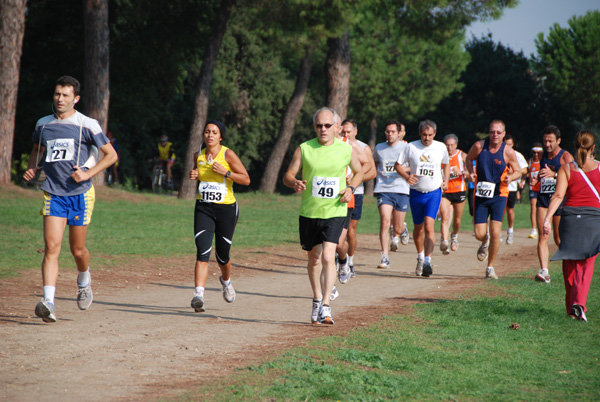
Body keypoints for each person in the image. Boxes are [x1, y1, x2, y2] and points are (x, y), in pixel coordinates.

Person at [22, 76, 118, 323]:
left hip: (80, 194)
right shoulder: (43, 125)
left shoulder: (87, 124)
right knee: (51, 247)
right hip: (53, 191)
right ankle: (49, 302)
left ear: (75, 99)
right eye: (57, 94)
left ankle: (84, 278)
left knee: (77, 249)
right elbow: (37, 148)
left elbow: (111, 155)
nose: (60, 99)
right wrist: (33, 168)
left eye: (65, 95)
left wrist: (87, 173)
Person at [283, 107, 363, 325]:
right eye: (319, 125)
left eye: (328, 125)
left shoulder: (345, 150)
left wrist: (351, 188)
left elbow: (360, 171)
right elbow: (288, 175)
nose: (323, 129)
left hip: (335, 211)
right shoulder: (304, 149)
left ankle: (326, 306)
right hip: (310, 212)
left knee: (329, 256)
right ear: (314, 127)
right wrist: (294, 182)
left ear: (337, 127)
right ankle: (317, 299)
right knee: (314, 258)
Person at [188, 120, 250, 313]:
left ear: (220, 136)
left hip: (226, 210)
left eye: (214, 132)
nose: (210, 135)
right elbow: (200, 176)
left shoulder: (228, 154)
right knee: (202, 251)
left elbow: (246, 179)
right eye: (207, 131)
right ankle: (199, 295)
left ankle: (226, 281)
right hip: (204, 208)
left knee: (222, 256)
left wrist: (227, 172)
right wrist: (195, 174)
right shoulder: (197, 155)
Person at [543, 131, 600, 322]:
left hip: (570, 219)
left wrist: (547, 219)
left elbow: (558, 196)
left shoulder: (565, 168)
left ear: (575, 146)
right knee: (586, 263)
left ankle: (572, 308)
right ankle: (578, 303)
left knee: (569, 262)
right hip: (593, 219)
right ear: (593, 148)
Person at [465, 120, 522, 279]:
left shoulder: (508, 152)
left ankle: (490, 267)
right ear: (488, 133)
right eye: (492, 132)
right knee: (479, 233)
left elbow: (518, 171)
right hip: (481, 195)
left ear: (504, 134)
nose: (495, 135)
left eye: (498, 132)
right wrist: (471, 173)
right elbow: (468, 159)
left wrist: (511, 177)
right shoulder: (479, 146)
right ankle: (484, 241)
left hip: (499, 195)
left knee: (496, 232)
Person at [396, 120, 449, 277]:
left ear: (435, 134)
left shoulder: (440, 147)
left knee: (428, 226)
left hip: (434, 192)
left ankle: (427, 261)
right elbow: (398, 165)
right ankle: (420, 257)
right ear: (420, 134)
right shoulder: (411, 147)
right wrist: (406, 176)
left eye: (430, 135)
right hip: (416, 192)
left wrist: (445, 180)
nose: (427, 138)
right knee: (418, 228)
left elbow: (446, 164)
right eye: (424, 135)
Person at [530, 125, 573, 283]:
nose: (547, 144)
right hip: (543, 200)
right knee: (543, 235)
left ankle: (571, 267)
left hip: (560, 201)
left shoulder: (565, 157)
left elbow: (573, 178)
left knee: (559, 239)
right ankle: (544, 271)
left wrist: (554, 174)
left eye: (550, 141)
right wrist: (536, 180)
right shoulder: (541, 156)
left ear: (558, 140)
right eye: (545, 141)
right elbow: (540, 176)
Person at [339, 119, 376, 278]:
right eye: (343, 131)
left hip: (356, 193)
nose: (346, 134)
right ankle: (340, 259)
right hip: (338, 193)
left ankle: (350, 261)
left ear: (355, 132)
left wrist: (354, 177)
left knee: (350, 231)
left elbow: (372, 172)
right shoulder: (336, 144)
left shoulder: (362, 147)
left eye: (349, 131)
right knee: (339, 232)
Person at [372, 121, 410, 269]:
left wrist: (400, 169)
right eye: (387, 131)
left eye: (393, 131)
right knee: (385, 221)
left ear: (399, 133)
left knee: (398, 228)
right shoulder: (379, 148)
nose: (390, 134)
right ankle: (385, 257)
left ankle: (402, 229)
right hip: (384, 188)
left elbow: (414, 165)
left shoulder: (406, 148)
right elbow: (374, 164)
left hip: (401, 189)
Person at [439, 134, 467, 254]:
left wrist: (461, 172)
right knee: (445, 216)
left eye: (452, 145)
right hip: (445, 191)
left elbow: (472, 171)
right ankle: (444, 241)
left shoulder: (462, 155)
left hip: (459, 190)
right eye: (447, 145)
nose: (449, 148)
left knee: (457, 220)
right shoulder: (440, 155)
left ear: (456, 145)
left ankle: (454, 236)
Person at [503, 134, 528, 245]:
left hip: (511, 187)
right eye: (506, 144)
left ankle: (510, 231)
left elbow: (524, 170)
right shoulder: (499, 153)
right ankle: (496, 232)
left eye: (510, 144)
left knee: (510, 210)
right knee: (499, 210)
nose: (508, 146)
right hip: (500, 186)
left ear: (513, 144)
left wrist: (514, 173)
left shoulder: (517, 155)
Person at [527, 143, 543, 239]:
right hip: (533, 188)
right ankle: (533, 229)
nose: (536, 155)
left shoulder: (544, 161)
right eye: (534, 152)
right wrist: (522, 180)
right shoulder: (530, 162)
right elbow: (526, 172)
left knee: (542, 208)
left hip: (543, 188)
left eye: (538, 153)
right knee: (533, 206)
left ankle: (543, 226)